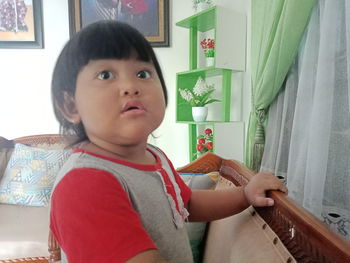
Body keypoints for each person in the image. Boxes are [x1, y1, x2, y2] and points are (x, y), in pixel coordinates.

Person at [50, 20, 287, 263]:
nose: (130, 86)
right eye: (105, 74)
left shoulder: (154, 156)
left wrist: (246, 194)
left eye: (143, 73)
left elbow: (187, 204)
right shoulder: (85, 183)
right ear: (70, 105)